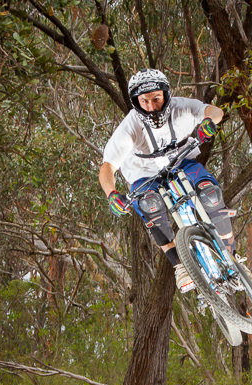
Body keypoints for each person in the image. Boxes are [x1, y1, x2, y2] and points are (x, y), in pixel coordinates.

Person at [99, 68, 237, 293]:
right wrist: (111, 194)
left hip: (183, 162)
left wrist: (209, 123)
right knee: (149, 204)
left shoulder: (181, 107)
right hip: (144, 176)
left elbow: (214, 111)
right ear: (136, 101)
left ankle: (233, 258)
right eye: (144, 101)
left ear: (166, 94)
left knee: (210, 195)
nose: (151, 106)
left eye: (156, 98)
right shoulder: (129, 127)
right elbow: (107, 167)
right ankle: (180, 266)